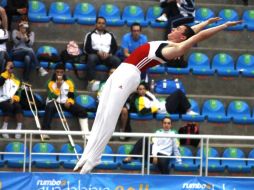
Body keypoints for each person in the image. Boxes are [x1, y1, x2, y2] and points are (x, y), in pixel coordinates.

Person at [74, 18, 242, 174]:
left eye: (178, 28)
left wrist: (223, 26)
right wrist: (207, 21)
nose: (174, 27)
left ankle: (95, 157)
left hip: (130, 75)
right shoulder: (172, 40)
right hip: (121, 70)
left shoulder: (172, 49)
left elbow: (196, 37)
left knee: (110, 115)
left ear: (181, 37)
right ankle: (87, 154)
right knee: (101, 111)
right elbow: (192, 31)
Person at [41, 63, 89, 140]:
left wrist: (69, 101)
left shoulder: (69, 81)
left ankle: (85, 134)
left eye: (61, 72)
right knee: (49, 107)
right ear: (55, 72)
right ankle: (45, 132)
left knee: (82, 111)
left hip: (65, 102)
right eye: (57, 72)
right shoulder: (50, 82)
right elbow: (51, 96)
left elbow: (72, 94)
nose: (59, 74)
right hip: (54, 101)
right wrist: (58, 87)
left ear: (64, 72)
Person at [83, 16, 121, 88]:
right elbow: (86, 49)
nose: (101, 25)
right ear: (96, 24)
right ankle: (91, 83)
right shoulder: (90, 35)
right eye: (99, 23)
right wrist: (97, 52)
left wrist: (109, 54)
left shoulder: (110, 35)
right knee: (91, 58)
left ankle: (113, 84)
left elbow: (114, 47)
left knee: (117, 60)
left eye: (103, 23)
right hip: (96, 56)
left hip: (107, 57)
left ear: (105, 25)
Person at [97, 68, 131, 139]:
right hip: (106, 104)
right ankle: (107, 132)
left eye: (114, 72)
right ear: (108, 74)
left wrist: (119, 105)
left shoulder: (122, 84)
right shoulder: (104, 84)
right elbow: (100, 97)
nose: (113, 74)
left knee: (125, 110)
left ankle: (122, 130)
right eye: (111, 72)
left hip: (118, 104)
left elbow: (124, 96)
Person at [130, 82, 197, 116]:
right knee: (178, 93)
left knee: (174, 97)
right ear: (137, 91)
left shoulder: (147, 93)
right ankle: (188, 110)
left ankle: (185, 111)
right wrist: (155, 109)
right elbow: (142, 112)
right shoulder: (138, 100)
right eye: (140, 89)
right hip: (163, 109)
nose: (142, 90)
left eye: (143, 89)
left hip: (164, 104)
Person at [0, 60, 24, 139]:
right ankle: (4, 128)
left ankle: (19, 129)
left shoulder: (16, 80)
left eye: (12, 66)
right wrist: (6, 73)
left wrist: (16, 97)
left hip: (11, 99)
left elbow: (18, 91)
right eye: (9, 65)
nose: (11, 67)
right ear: (5, 67)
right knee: (9, 106)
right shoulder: (2, 76)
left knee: (18, 106)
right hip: (1, 99)